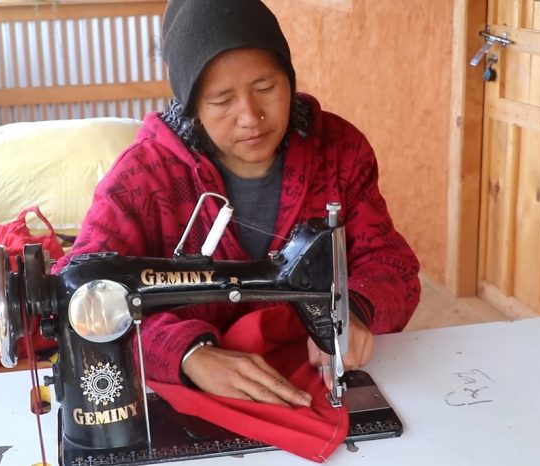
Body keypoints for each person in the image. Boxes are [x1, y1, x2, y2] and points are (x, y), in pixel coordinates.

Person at [54, 0, 420, 408]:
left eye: (266, 88)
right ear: (192, 107)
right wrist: (185, 353)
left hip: (311, 370)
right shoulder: (140, 178)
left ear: (290, 80)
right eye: (222, 100)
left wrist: (358, 309)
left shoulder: (340, 150)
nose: (250, 116)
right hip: (190, 389)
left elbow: (390, 263)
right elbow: (80, 296)